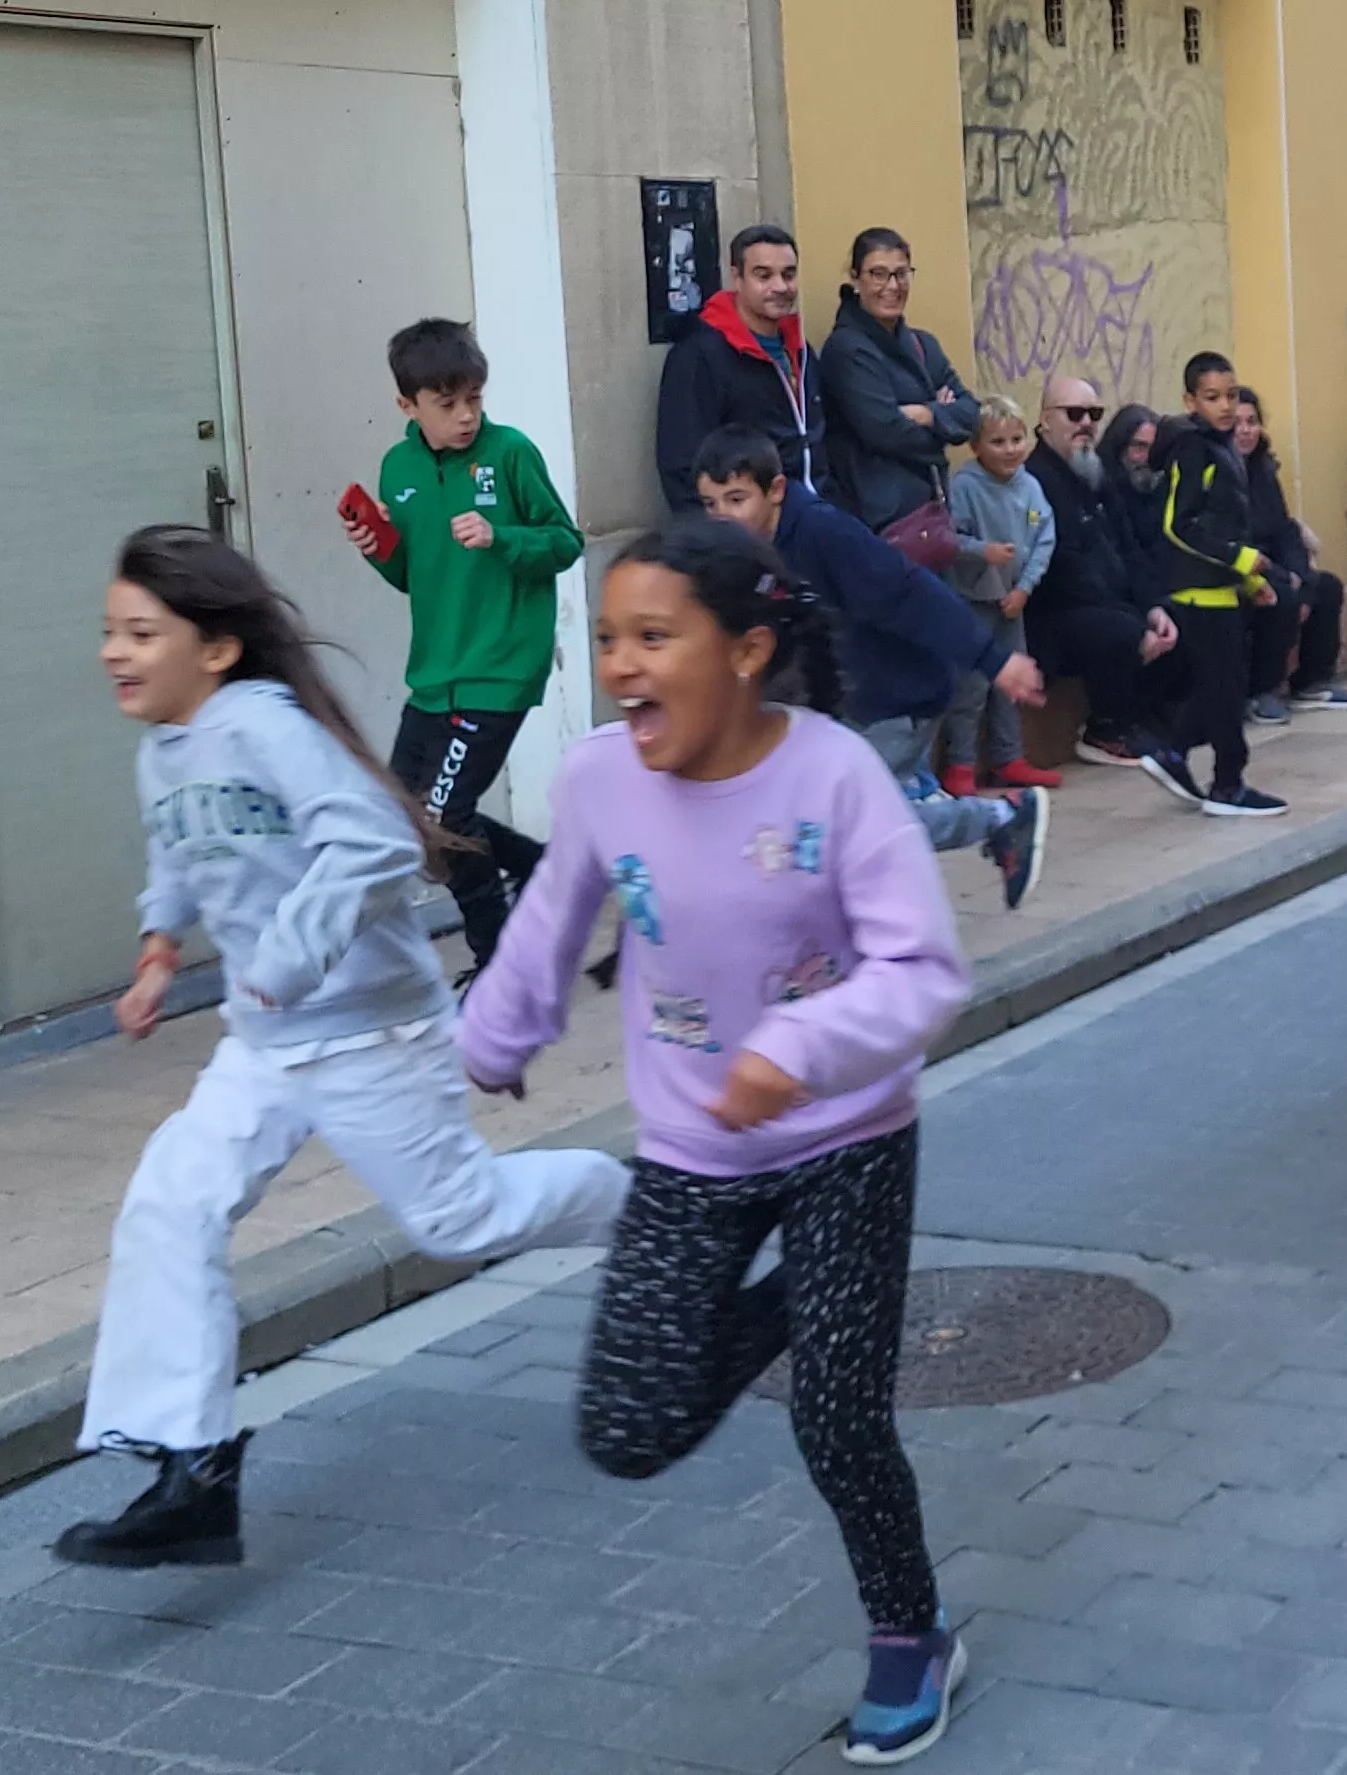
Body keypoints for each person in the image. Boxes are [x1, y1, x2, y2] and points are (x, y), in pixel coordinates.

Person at [459, 518, 970, 1767]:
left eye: (652, 636)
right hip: (691, 1143)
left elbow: (926, 969)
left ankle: (911, 1633)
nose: (621, 664)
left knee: (838, 1420)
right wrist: (495, 1034)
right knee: (627, 1425)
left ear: (746, 649)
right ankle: (814, 1292)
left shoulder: (835, 774)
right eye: (609, 640)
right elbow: (549, 919)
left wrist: (793, 1050)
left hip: (847, 1129)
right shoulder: (596, 778)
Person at [55, 527, 630, 1569]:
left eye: (141, 631)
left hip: (370, 1027)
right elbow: (179, 859)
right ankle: (192, 1465)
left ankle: (642, 1207)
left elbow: (371, 838)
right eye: (109, 631)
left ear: (218, 649)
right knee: (169, 1199)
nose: (114, 651)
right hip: (265, 1039)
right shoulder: (162, 752)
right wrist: (154, 954)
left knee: (460, 1216)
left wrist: (284, 955)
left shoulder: (260, 723)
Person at [691, 426, 1052, 908]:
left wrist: (994, 660)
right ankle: (998, 823)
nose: (724, 517)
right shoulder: (747, 551)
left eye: (736, 499)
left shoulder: (825, 534)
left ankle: (997, 822)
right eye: (711, 505)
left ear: (775, 490)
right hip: (839, 705)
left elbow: (910, 591)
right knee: (836, 821)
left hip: (895, 697)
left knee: (842, 824)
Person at [343, 319, 576, 980]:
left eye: (473, 398)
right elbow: (414, 575)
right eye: (447, 404)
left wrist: (501, 535)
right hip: (435, 671)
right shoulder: (398, 468)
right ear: (407, 406)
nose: (466, 415)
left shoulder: (510, 454)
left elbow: (564, 541)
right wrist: (378, 552)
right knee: (410, 819)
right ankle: (543, 873)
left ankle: (499, 963)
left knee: (444, 818)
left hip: (501, 664)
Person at [1148, 353, 1290, 817]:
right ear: (1191, 401)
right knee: (1226, 692)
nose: (1226, 406)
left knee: (1222, 687)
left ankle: (1171, 751)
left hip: (1223, 590)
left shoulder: (1223, 446)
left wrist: (1248, 582)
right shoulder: (1193, 449)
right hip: (1199, 595)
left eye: (1231, 395)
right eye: (1213, 397)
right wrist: (1241, 559)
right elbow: (1180, 525)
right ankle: (1228, 784)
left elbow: (1227, 523)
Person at [1025, 375, 1184, 769]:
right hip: (1054, 618)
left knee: (1177, 615)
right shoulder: (1036, 480)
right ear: (1045, 420)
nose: (1086, 423)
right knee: (1121, 631)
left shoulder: (1094, 474)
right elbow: (1063, 572)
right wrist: (1134, 618)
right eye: (1074, 413)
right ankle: (1105, 730)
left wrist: (1152, 607)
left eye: (1093, 414)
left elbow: (1129, 549)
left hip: (1107, 604)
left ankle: (1149, 720)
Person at [657, 224, 830, 510]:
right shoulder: (699, 354)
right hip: (752, 534)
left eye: (789, 274)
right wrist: (720, 544)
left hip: (817, 514)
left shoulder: (800, 348)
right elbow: (681, 463)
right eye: (763, 275)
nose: (780, 287)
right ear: (737, 277)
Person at [821, 228, 980, 536]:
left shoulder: (924, 344)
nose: (892, 286)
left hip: (930, 514)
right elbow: (884, 432)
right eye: (878, 274)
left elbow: (972, 413)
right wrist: (945, 427)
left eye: (901, 274)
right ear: (856, 278)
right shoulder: (847, 350)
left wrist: (928, 415)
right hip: (877, 524)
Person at [943, 395, 1059, 795]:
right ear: (976, 446)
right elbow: (950, 540)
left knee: (1012, 683)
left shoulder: (1030, 486)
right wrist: (982, 552)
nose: (1010, 450)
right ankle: (960, 765)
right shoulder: (964, 485)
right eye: (998, 442)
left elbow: (1045, 537)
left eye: (1016, 439)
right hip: (975, 602)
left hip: (1013, 604)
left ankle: (1009, 757)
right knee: (972, 686)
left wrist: (1025, 587)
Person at [1230, 385, 1347, 725]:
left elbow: (1284, 529)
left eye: (1252, 421)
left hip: (1274, 563)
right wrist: (1280, 575)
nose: (1245, 430)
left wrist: (1300, 574)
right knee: (1279, 596)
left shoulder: (1263, 472)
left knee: (1325, 586)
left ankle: (1312, 681)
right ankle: (1261, 690)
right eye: (1237, 422)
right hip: (1238, 569)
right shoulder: (1215, 474)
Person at [1098, 402, 1170, 583]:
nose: (1147, 458)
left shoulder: (1165, 490)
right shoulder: (1100, 495)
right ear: (1119, 447)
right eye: (1139, 447)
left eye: (1153, 449)